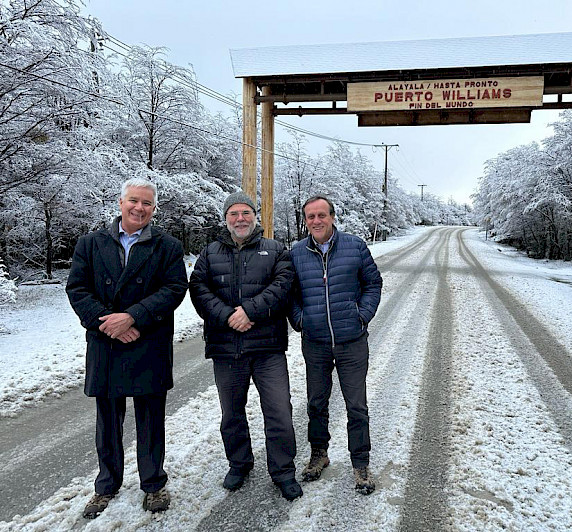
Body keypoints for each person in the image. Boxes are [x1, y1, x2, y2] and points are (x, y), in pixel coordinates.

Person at [66, 178, 188, 519]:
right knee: (107, 421)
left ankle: (153, 484)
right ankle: (106, 485)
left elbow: (175, 288)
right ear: (120, 203)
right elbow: (77, 288)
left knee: (151, 421)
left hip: (147, 340)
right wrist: (110, 324)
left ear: (154, 208)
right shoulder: (90, 243)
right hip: (106, 343)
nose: (139, 208)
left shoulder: (168, 246)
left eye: (147, 203)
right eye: (133, 201)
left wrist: (132, 318)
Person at [189, 191, 302, 501]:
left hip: (267, 349)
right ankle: (239, 464)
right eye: (233, 214)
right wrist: (228, 316)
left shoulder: (275, 249)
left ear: (255, 216)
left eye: (245, 213)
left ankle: (283, 471)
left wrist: (249, 311)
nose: (240, 219)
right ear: (226, 219)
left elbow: (283, 286)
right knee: (232, 414)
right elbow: (198, 289)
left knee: (279, 412)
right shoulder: (210, 252)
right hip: (227, 349)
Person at [289, 195, 383, 495]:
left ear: (332, 217)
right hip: (315, 342)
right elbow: (289, 294)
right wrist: (301, 320)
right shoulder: (297, 253)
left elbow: (373, 283)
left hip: (351, 341)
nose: (316, 221)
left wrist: (362, 316)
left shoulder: (354, 246)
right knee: (316, 402)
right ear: (305, 221)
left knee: (356, 405)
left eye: (321, 215)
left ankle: (361, 462)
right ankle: (319, 454)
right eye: (310, 217)